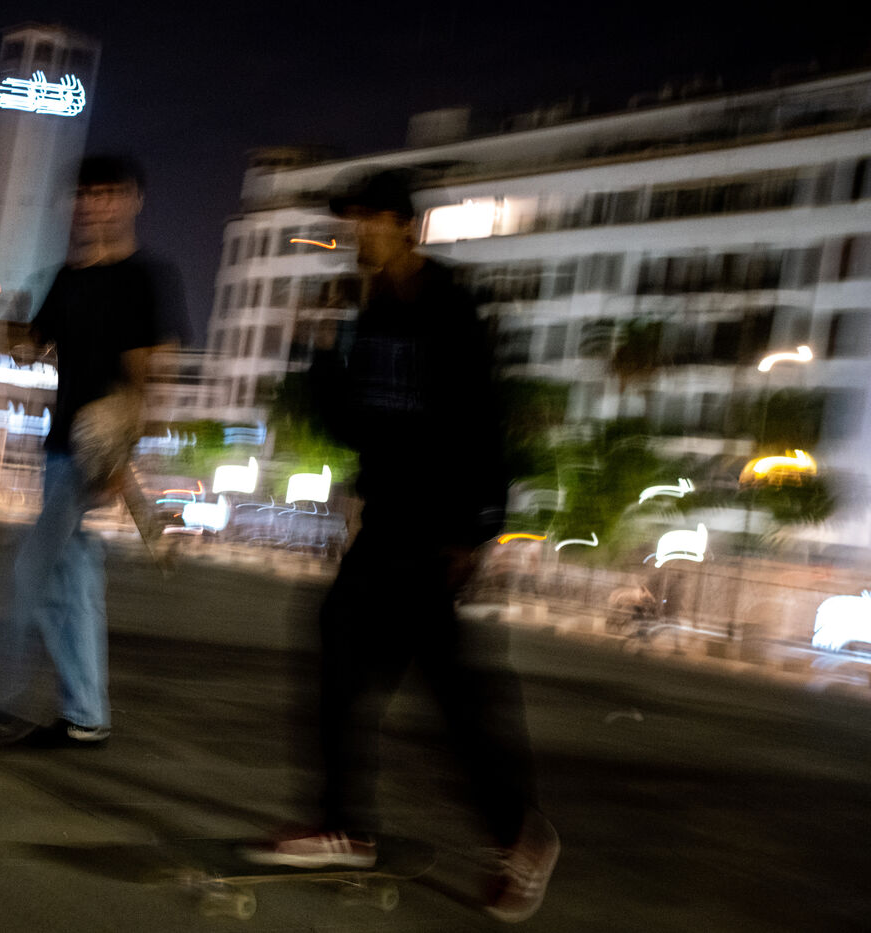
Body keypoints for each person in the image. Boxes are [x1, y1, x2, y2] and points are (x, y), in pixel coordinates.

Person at [241, 168, 559, 923]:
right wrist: (321, 351)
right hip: (387, 520)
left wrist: (477, 528)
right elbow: (351, 425)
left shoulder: (449, 306)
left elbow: (485, 419)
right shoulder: (370, 311)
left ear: (404, 228)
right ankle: (345, 825)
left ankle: (516, 834)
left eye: (369, 221)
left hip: (436, 526)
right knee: (344, 650)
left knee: (451, 694)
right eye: (351, 222)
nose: (356, 235)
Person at [0, 154, 188, 746]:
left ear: (134, 201)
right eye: (85, 195)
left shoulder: (143, 277)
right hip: (59, 445)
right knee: (70, 578)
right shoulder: (67, 278)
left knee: (33, 568)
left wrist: (123, 451)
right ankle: (84, 716)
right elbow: (29, 349)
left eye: (107, 194)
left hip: (97, 447)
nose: (94, 206)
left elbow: (152, 369)